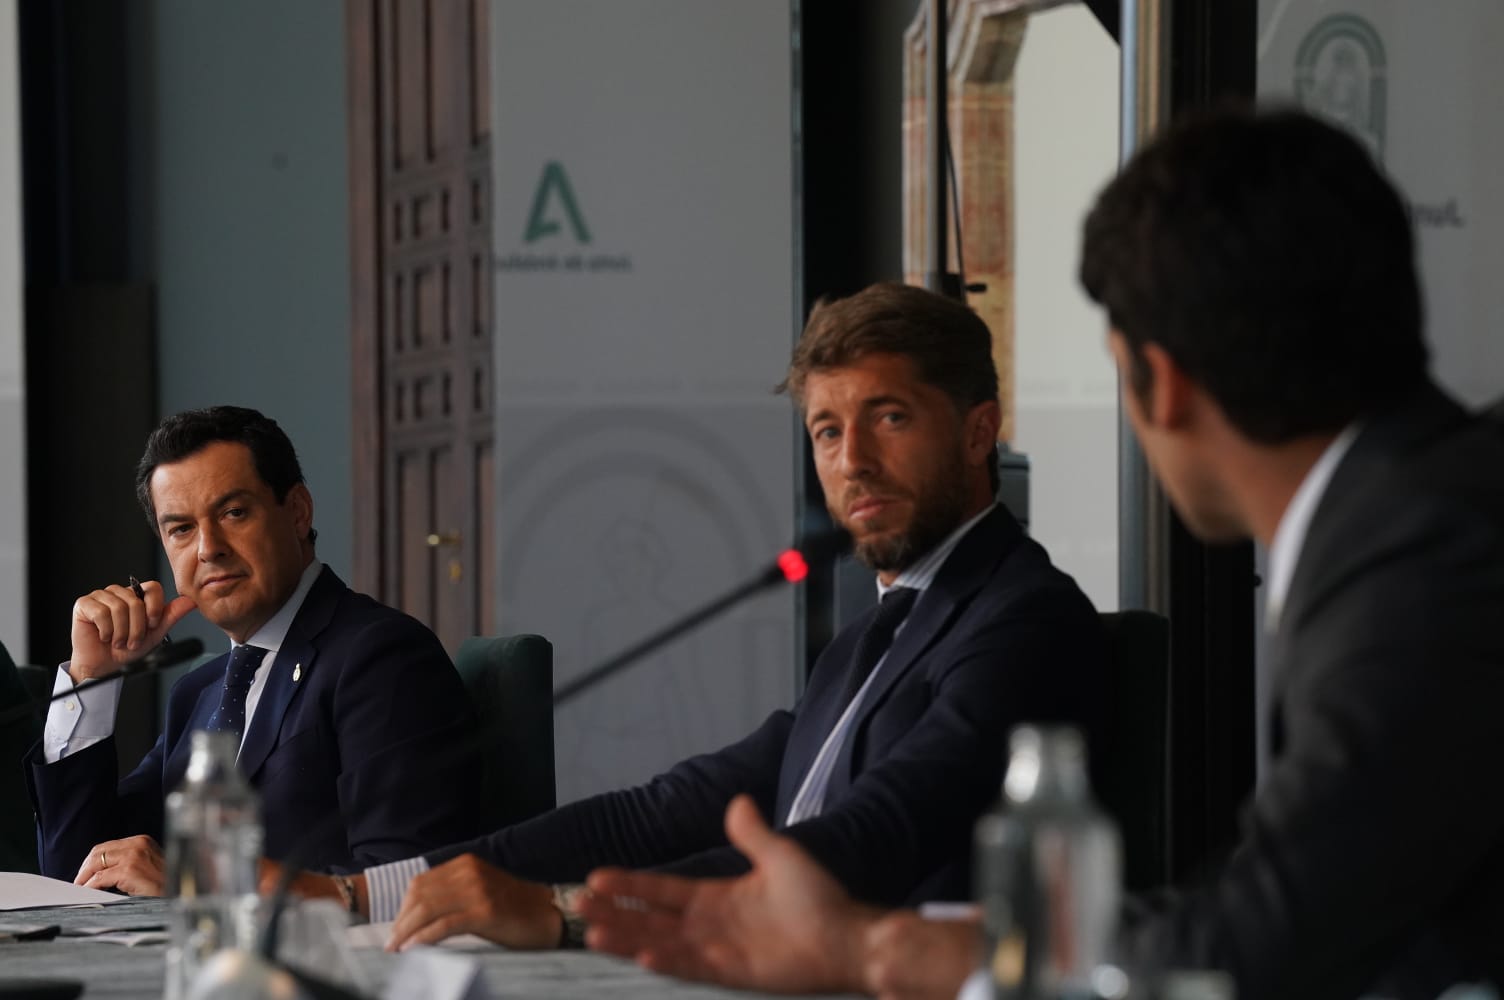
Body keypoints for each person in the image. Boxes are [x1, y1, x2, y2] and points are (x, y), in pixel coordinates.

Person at [581, 106, 1504, 999]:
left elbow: (1267, 938)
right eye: (826, 430)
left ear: (1162, 385)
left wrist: (873, 951)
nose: (851, 458)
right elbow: (1269, 903)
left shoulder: (1416, 557)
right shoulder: (1426, 509)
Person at [273, 281, 1108, 951]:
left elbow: (869, 841)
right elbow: (662, 811)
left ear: (977, 433)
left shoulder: (1021, 618)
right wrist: (365, 890)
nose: (852, 461)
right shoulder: (872, 636)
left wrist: (566, 913)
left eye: (888, 418)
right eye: (826, 430)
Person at [25, 406, 481, 896]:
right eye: (181, 529)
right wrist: (91, 681)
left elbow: (403, 880)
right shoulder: (198, 693)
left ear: (298, 512)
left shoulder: (381, 656)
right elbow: (77, 876)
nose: (208, 548)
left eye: (233, 513)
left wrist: (191, 884)